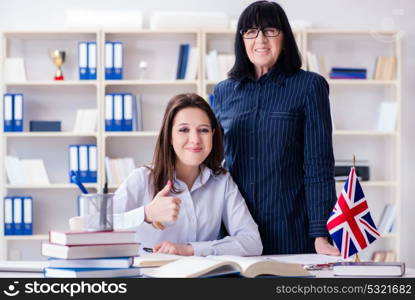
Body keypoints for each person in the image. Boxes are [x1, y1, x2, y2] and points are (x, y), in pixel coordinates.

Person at [211, 0, 340, 255]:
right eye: (250, 32)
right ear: (242, 40)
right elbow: (213, 162)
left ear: (285, 37)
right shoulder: (224, 91)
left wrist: (320, 233)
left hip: (291, 228)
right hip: (235, 230)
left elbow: (318, 164)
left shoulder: (309, 87)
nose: (260, 40)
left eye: (270, 30)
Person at [111, 93, 263, 256]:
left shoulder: (222, 182)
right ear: (169, 135)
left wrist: (190, 249)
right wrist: (146, 214)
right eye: (184, 130)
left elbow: (252, 242)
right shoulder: (142, 179)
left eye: (203, 130)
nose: (195, 139)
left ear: (213, 134)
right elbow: (99, 228)